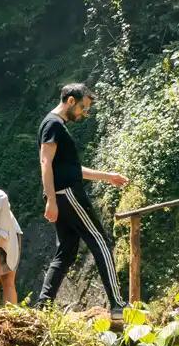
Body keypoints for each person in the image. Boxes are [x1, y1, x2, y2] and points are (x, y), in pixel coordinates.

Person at [37, 83, 131, 315]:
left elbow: (71, 168)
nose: (83, 113)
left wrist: (107, 177)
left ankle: (43, 305)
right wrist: (50, 199)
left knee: (67, 251)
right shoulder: (53, 124)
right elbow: (45, 162)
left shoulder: (57, 126)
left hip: (62, 193)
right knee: (101, 242)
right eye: (82, 107)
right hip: (67, 194)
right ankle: (118, 304)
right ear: (70, 101)